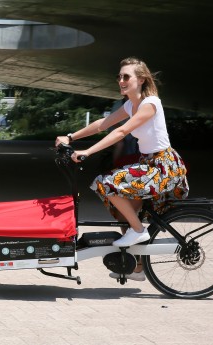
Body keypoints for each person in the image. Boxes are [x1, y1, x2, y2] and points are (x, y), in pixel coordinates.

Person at [55, 56, 189, 281]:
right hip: (148, 163)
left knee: (105, 183)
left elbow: (120, 132)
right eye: (119, 77)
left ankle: (139, 231)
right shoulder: (130, 104)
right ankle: (137, 267)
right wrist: (70, 137)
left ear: (142, 79)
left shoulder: (150, 104)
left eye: (126, 76)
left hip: (163, 167)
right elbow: (103, 125)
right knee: (122, 213)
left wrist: (87, 152)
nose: (121, 80)